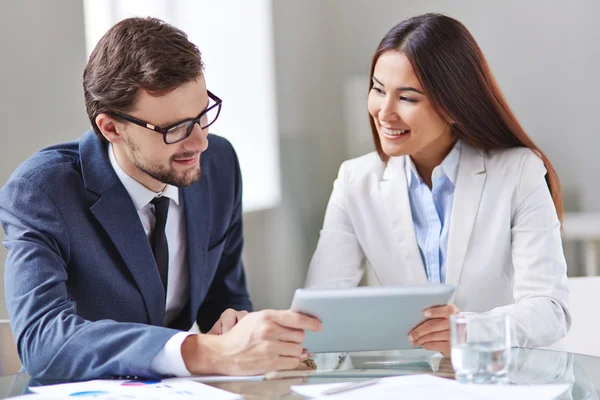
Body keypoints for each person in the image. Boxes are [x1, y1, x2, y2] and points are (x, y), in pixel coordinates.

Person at [0, 17, 321, 380]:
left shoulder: (218, 164)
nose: (199, 141)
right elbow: (41, 340)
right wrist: (199, 350)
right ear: (111, 128)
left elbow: (225, 300)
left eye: (202, 115)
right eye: (175, 129)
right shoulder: (41, 191)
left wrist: (235, 329)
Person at [305, 13, 570, 356]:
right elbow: (320, 309)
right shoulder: (355, 181)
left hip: (501, 375)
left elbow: (549, 311)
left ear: (454, 105)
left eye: (408, 98)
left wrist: (467, 330)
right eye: (378, 89)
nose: (384, 112)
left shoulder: (519, 172)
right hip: (412, 383)